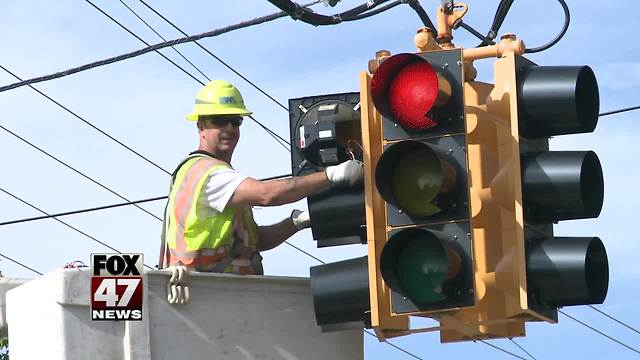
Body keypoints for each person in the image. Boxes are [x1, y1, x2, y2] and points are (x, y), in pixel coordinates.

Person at [160, 80, 363, 275]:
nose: (229, 128)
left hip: (222, 293)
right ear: (201, 125)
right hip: (209, 293)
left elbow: (257, 241)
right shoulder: (208, 174)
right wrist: (331, 174)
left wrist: (299, 221)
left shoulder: (214, 175)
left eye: (235, 121)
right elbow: (267, 194)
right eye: (220, 120)